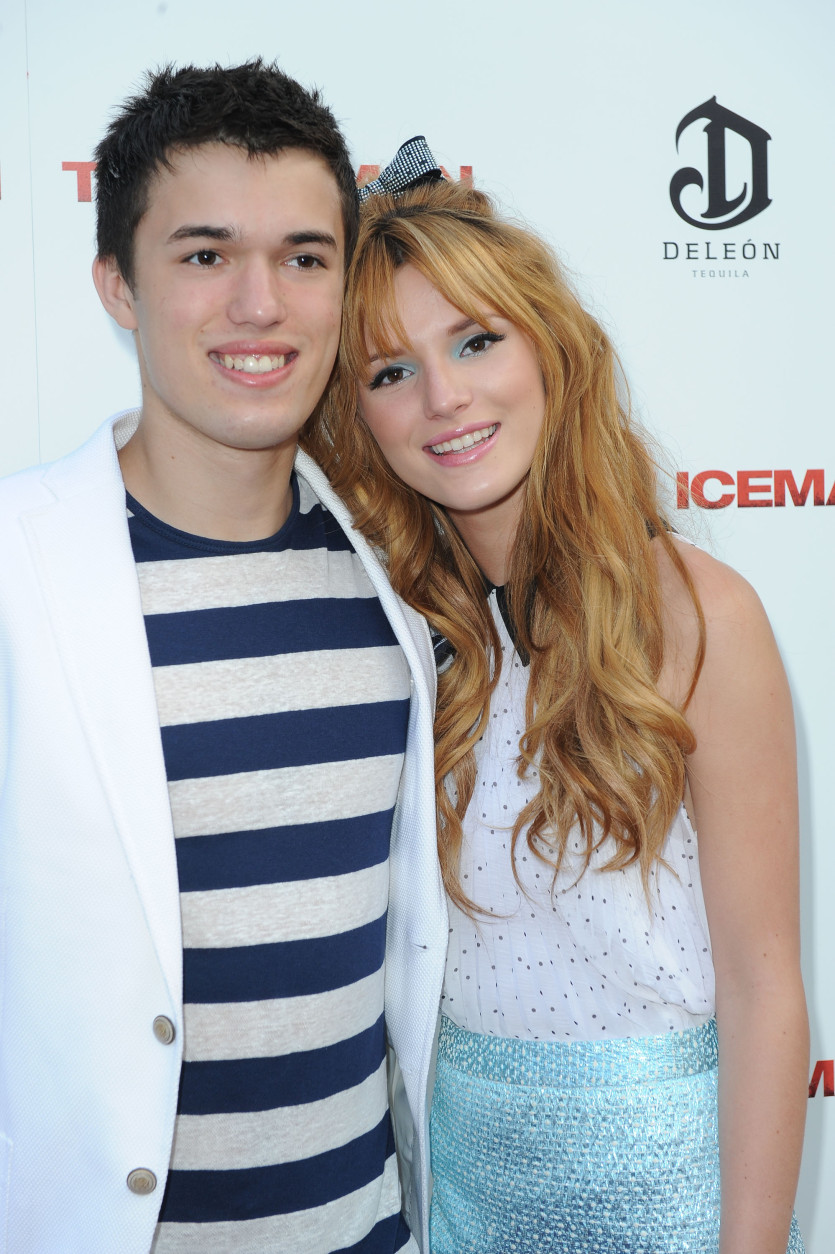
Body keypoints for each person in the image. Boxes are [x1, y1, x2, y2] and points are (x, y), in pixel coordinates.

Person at [306, 156, 809, 1253]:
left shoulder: (700, 614)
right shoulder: (409, 632)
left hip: (668, 1203)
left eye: (475, 340)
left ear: (549, 348)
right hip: (461, 1201)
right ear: (359, 414)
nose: (444, 398)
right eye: (390, 371)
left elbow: (768, 992)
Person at [0, 68, 447, 1254]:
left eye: (305, 257)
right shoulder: (16, 574)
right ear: (118, 286)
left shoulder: (405, 571)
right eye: (204, 256)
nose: (261, 304)